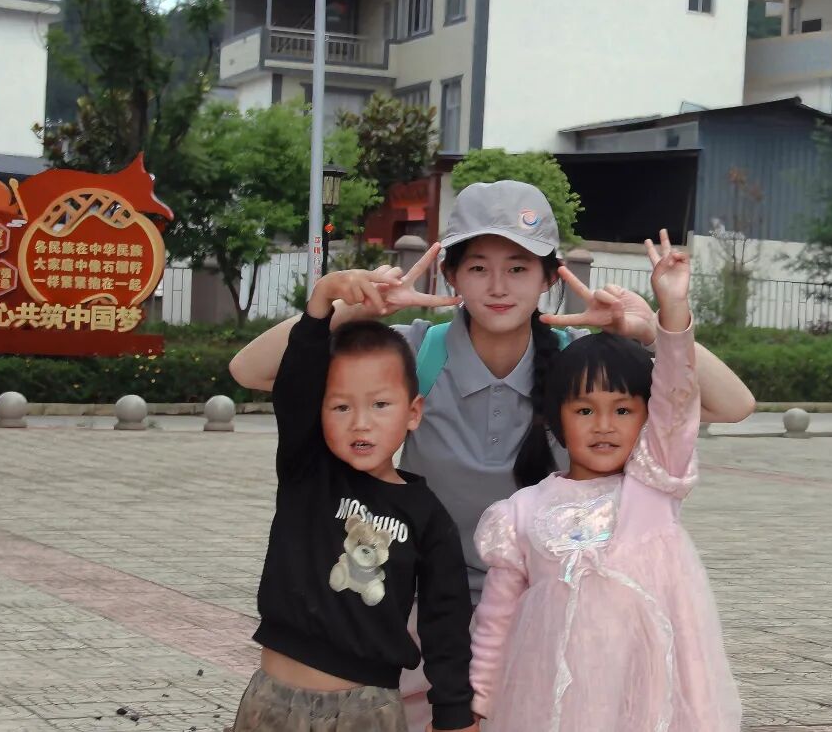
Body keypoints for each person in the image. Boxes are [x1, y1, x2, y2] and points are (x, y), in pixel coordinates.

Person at [230, 180, 754, 729]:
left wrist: (650, 332)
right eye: (478, 267)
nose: (498, 287)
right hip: (419, 624)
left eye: (520, 268)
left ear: (550, 278)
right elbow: (252, 371)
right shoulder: (412, 353)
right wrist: (346, 313)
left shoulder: (585, 376)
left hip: (544, 629)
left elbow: (733, 403)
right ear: (450, 275)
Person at [469, 232, 741, 731]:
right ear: (556, 419)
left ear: (645, 418)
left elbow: (677, 397)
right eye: (584, 410)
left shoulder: (653, 486)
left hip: (644, 700)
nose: (604, 425)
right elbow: (495, 622)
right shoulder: (520, 514)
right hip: (548, 706)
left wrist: (672, 312)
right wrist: (478, 704)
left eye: (622, 410)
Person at [231, 270, 478, 732]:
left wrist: (454, 716)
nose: (360, 423)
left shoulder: (427, 516)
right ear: (319, 410)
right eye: (340, 407)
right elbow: (296, 381)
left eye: (380, 406)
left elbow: (445, 626)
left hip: (368, 710)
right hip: (271, 703)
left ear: (413, 412)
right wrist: (325, 301)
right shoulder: (308, 472)